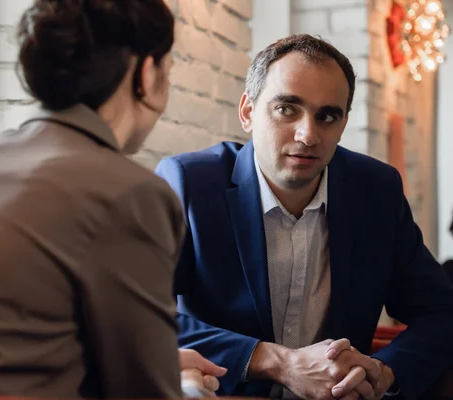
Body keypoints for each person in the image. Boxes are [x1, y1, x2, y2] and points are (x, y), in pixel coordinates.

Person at [0, 0, 226, 398]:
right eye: (168, 70)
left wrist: (163, 362)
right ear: (145, 73)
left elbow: (6, 345)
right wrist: (188, 387)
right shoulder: (131, 192)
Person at [155, 34, 453, 400]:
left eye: (327, 115)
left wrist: (383, 372)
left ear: (344, 123)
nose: (308, 134)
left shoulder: (377, 190)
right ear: (248, 112)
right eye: (286, 109)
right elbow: (138, 318)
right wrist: (277, 361)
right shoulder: (189, 184)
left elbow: (441, 313)